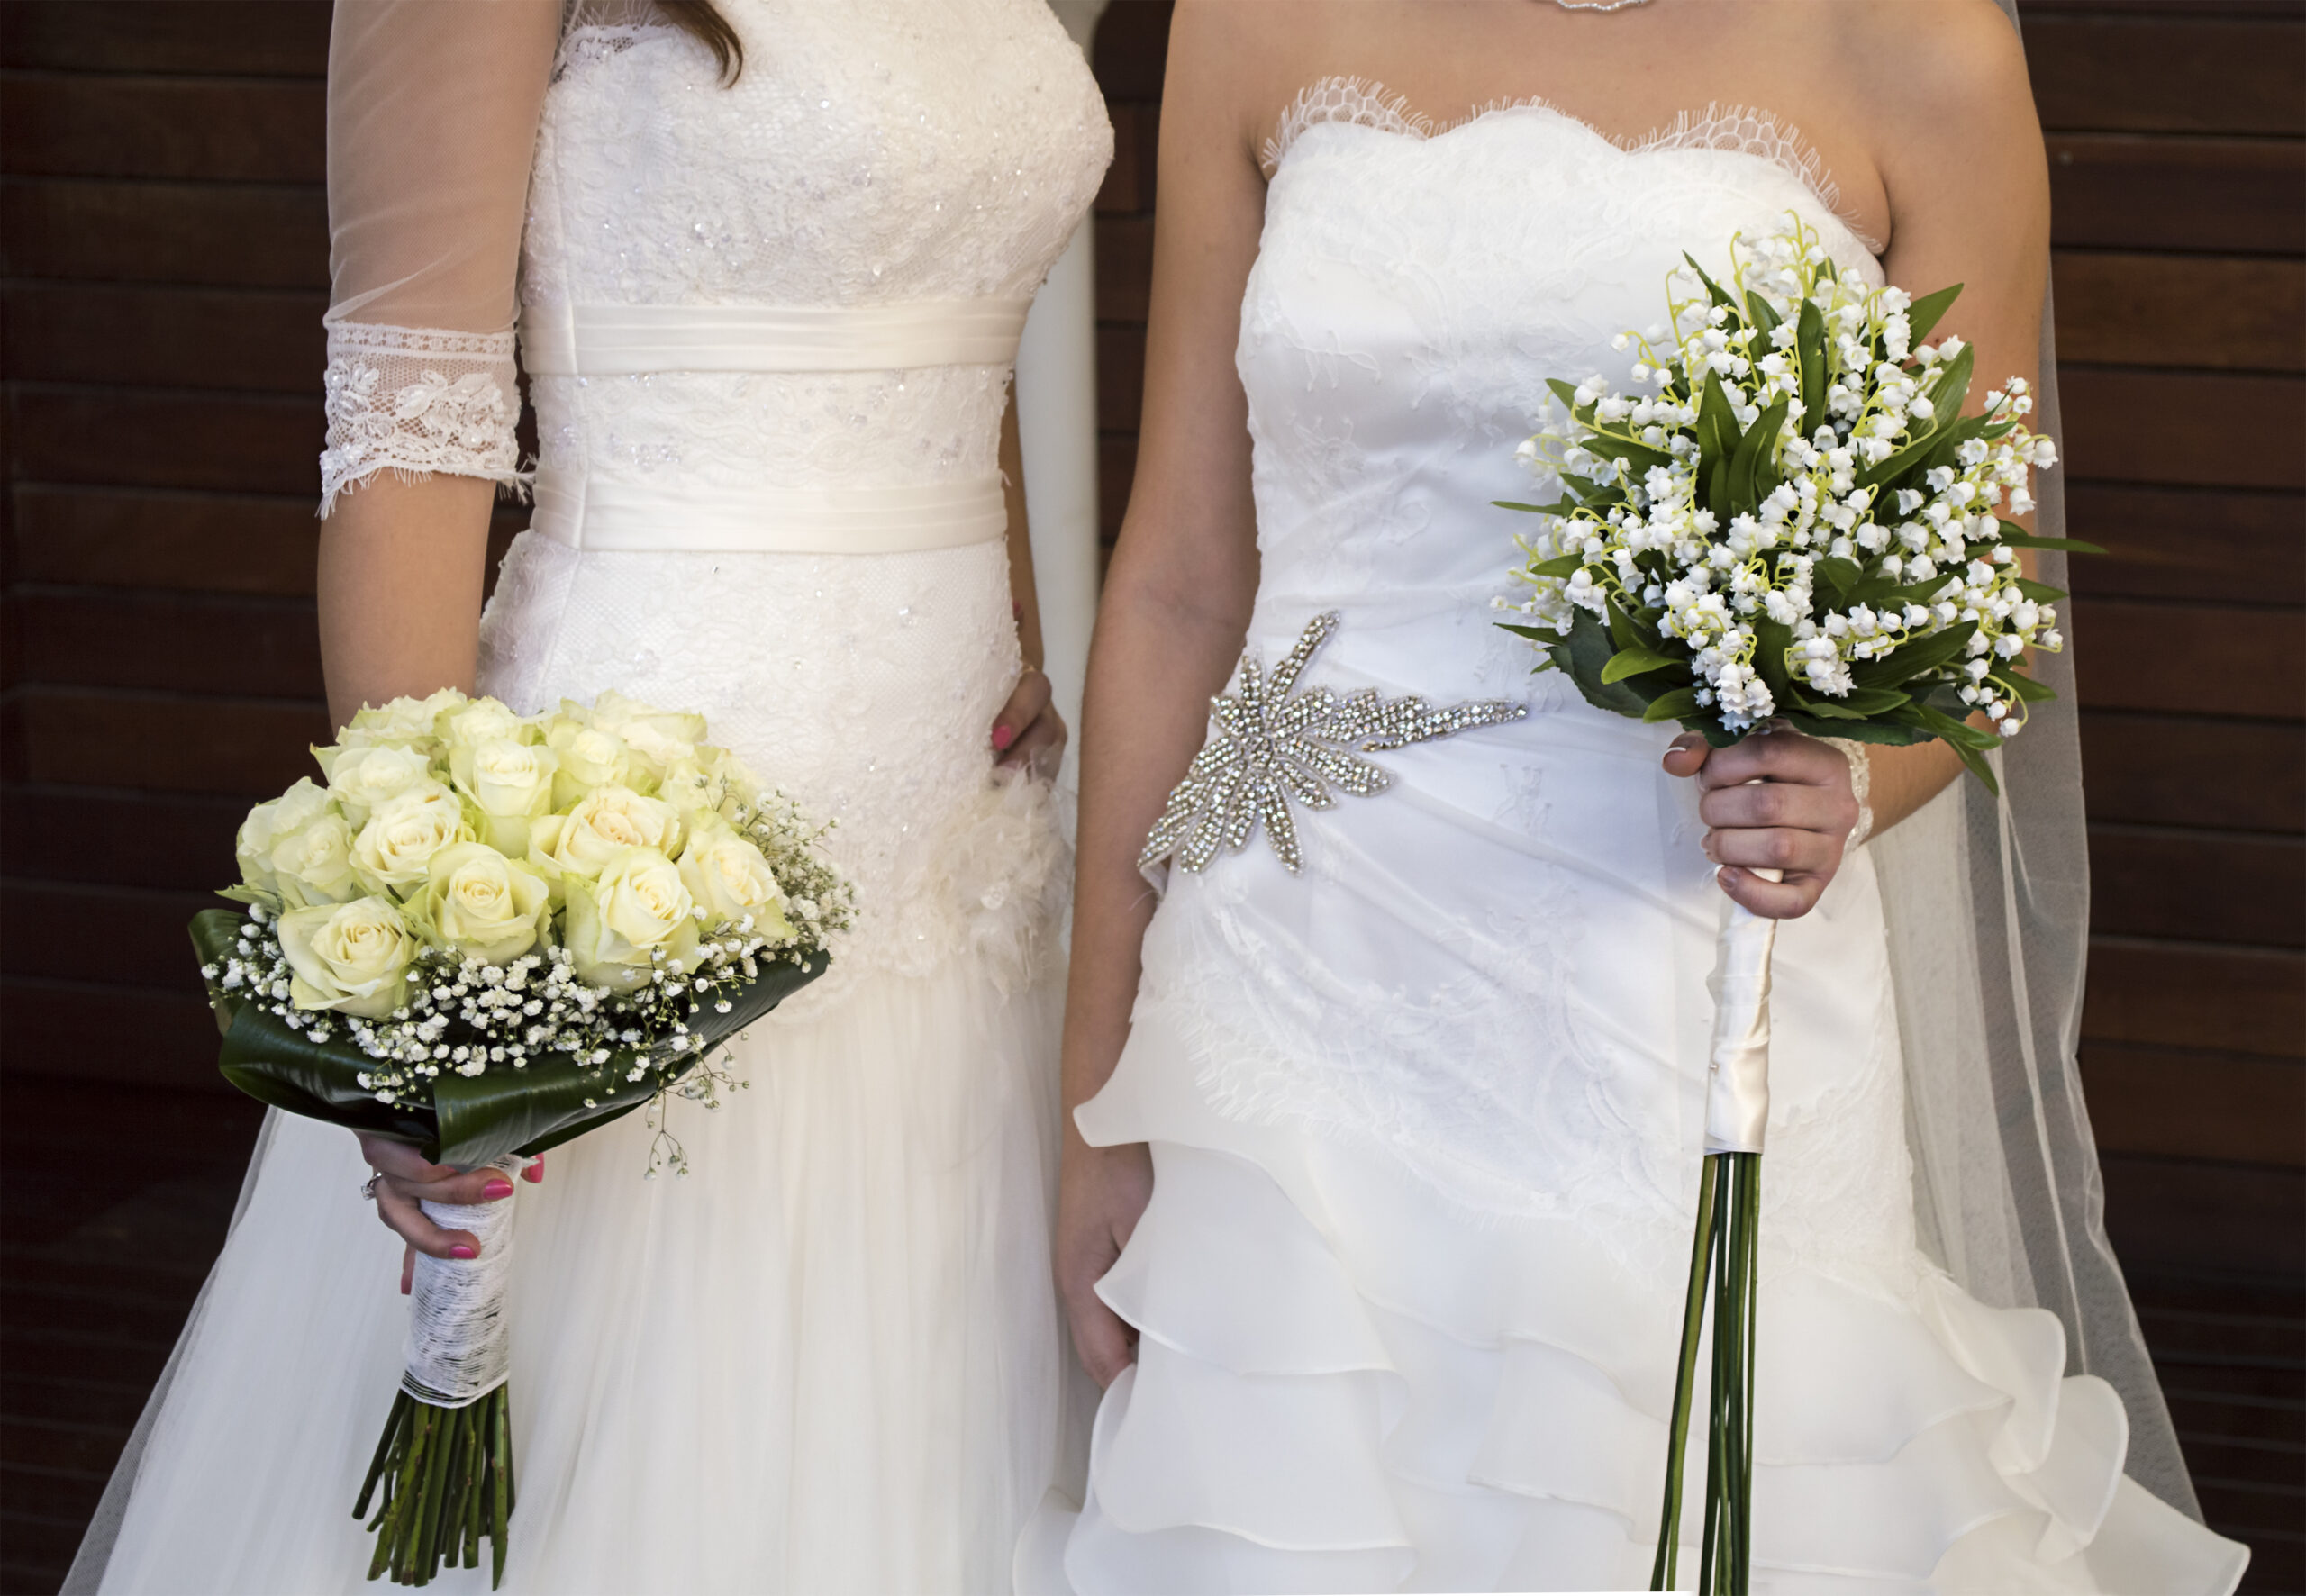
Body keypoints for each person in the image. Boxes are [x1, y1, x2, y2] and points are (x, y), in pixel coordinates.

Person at [1030, 1, 2249, 1590]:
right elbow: (1183, 585)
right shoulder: (1251, 17)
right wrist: (1097, 1095)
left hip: (1684, 986)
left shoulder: (1917, 44)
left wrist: (1851, 781)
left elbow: (1980, 604)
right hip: (1290, 980)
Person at [70, 2, 1108, 1591]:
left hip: (968, 844)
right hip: (639, 850)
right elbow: (411, 427)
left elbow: (939, 294)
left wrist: (1018, 627)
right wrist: (423, 965)